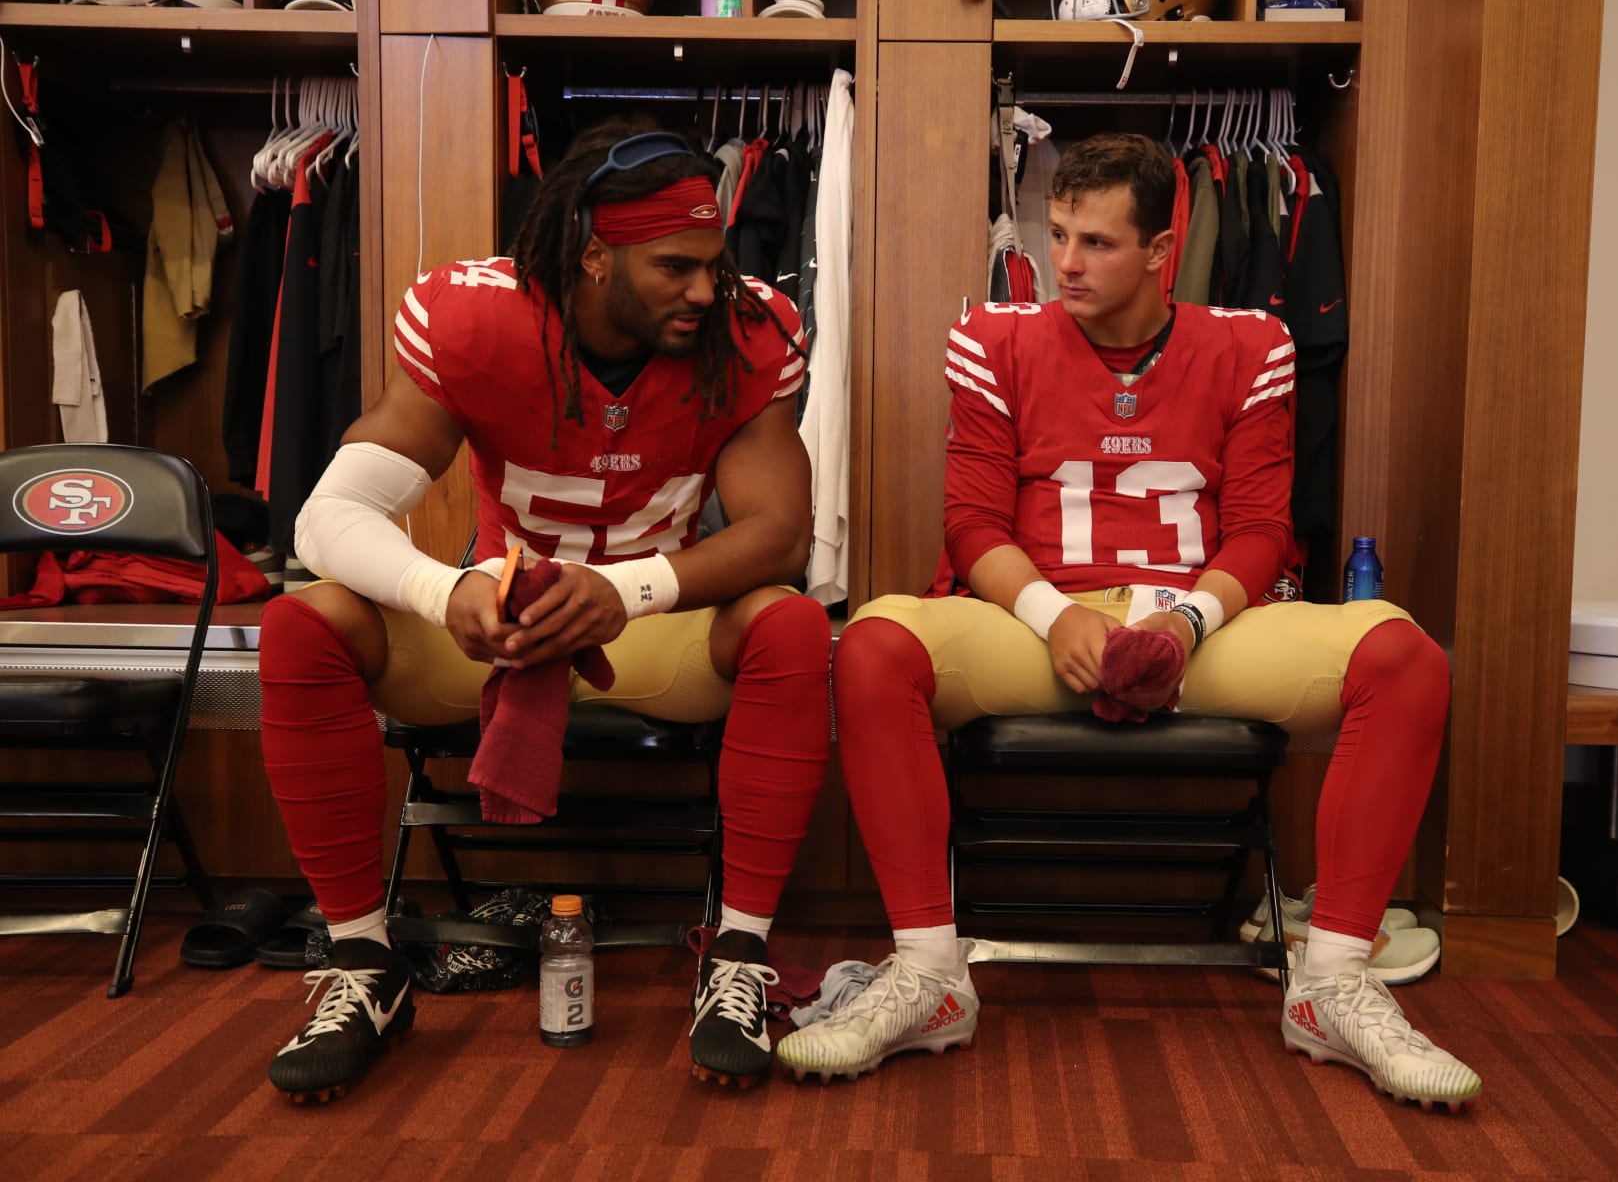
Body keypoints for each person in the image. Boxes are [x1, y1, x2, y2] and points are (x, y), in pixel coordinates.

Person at [777, 133, 1481, 1113]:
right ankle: (931, 975)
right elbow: (973, 518)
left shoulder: (1251, 345)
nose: (1066, 262)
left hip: (1200, 626)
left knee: (1405, 656)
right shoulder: (992, 337)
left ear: (1163, 248)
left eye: (1099, 243)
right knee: (872, 645)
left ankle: (1330, 987)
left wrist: (1188, 623)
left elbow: (1264, 531)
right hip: (1036, 622)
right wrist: (1051, 613)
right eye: (1058, 234)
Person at [258, 118, 830, 1102]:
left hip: (653, 622)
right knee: (303, 622)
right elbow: (328, 516)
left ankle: (737, 953)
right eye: (675, 267)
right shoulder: (479, 318)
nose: (706, 289)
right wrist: (453, 590)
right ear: (592, 254)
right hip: (501, 626)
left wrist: (627, 586)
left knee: (792, 620)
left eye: (714, 262)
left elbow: (779, 533)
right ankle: (363, 963)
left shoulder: (745, 328)